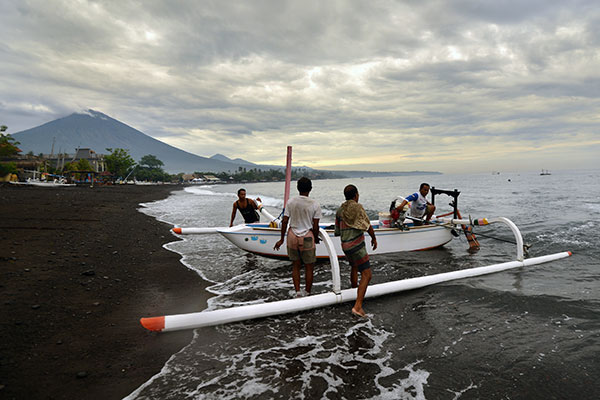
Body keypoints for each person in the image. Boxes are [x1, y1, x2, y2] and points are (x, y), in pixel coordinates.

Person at [274, 177, 322, 297]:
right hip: (307, 236)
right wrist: (316, 238)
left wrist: (281, 239)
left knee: (295, 265)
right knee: (309, 267)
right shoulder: (315, 204)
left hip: (292, 236)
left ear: (297, 188)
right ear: (310, 188)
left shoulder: (291, 202)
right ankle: (308, 292)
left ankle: (298, 292)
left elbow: (285, 222)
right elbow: (315, 226)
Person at [334, 185, 377, 318]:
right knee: (367, 274)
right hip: (357, 246)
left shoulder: (340, 210)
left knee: (354, 267)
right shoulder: (358, 208)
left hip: (345, 245)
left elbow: (337, 231)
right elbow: (367, 224)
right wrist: (374, 238)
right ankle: (358, 306)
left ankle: (354, 292)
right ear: (356, 195)